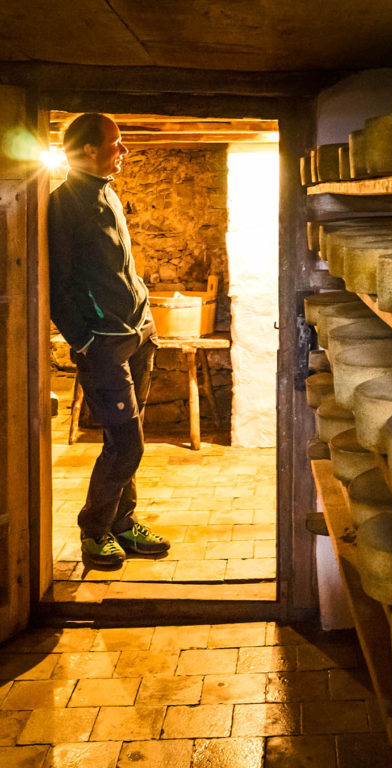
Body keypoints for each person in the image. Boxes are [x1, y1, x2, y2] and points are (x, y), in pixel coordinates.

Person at [48, 113, 170, 568]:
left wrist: (144, 314)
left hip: (138, 333)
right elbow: (56, 283)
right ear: (88, 149)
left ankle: (122, 523)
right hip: (104, 344)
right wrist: (84, 340)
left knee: (125, 443)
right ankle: (95, 530)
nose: (124, 150)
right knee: (127, 444)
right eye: (116, 143)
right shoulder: (64, 204)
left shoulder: (107, 192)